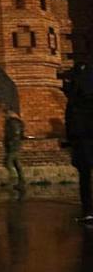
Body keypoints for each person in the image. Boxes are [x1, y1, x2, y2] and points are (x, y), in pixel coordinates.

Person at [64, 62, 93, 224]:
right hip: (83, 140)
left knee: (85, 177)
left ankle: (88, 211)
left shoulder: (75, 102)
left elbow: (71, 123)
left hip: (82, 142)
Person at [3, 111, 26, 190]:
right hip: (15, 145)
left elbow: (14, 133)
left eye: (5, 114)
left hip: (13, 145)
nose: (4, 116)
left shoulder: (12, 122)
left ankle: (14, 179)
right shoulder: (17, 122)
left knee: (7, 162)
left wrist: (10, 142)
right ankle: (21, 182)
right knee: (17, 163)